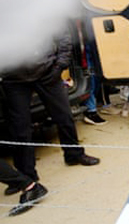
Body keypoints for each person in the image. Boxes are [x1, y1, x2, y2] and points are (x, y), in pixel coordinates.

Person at [0, 30, 100, 183]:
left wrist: (60, 65)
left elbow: (63, 35)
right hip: (13, 80)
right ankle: (27, 177)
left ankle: (74, 154)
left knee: (64, 116)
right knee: (20, 129)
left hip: (47, 73)